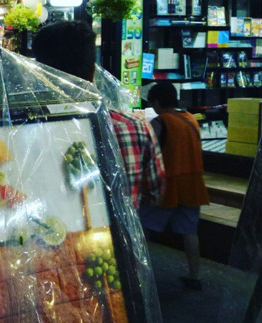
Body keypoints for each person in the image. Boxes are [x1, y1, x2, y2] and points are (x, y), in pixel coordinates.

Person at [33, 20, 165, 208]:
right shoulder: (135, 126)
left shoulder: (28, 133)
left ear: (39, 75)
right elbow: (155, 192)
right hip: (127, 225)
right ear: (93, 72)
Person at [141, 81, 209, 290]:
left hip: (167, 185)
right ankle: (194, 276)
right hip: (192, 184)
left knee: (144, 227)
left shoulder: (160, 122)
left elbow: (149, 152)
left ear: (157, 102)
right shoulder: (191, 118)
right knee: (189, 232)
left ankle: (138, 274)